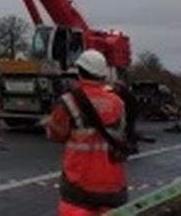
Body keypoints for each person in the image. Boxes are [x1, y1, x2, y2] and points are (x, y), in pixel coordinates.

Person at [46, 49, 128, 216]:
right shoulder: (118, 103)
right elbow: (122, 135)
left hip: (78, 184)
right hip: (112, 185)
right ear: (103, 74)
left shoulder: (68, 101)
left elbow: (55, 134)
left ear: (80, 72)